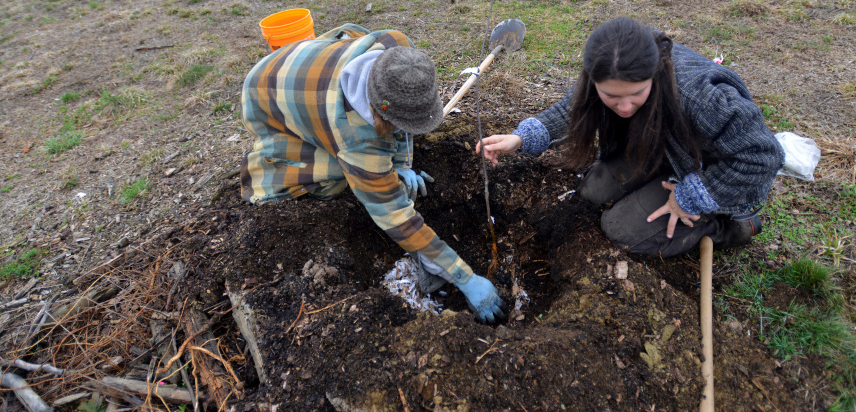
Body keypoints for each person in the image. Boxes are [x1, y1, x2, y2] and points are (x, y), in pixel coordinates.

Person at [240, 23, 504, 322]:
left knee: (373, 163)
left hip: (300, 64)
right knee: (337, 176)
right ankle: (275, 169)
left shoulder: (398, 49)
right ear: (379, 112)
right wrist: (464, 277)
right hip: (265, 97)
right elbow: (395, 217)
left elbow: (398, 121)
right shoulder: (356, 140)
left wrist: (401, 164)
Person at [478, 17, 784, 258]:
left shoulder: (699, 96)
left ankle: (736, 228)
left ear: (655, 72)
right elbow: (573, 108)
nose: (624, 107)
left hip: (717, 175)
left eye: (637, 93)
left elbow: (763, 155)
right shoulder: (611, 65)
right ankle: (663, 180)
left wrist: (690, 196)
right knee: (593, 191)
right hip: (667, 151)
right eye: (611, 96)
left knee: (620, 229)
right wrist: (519, 138)